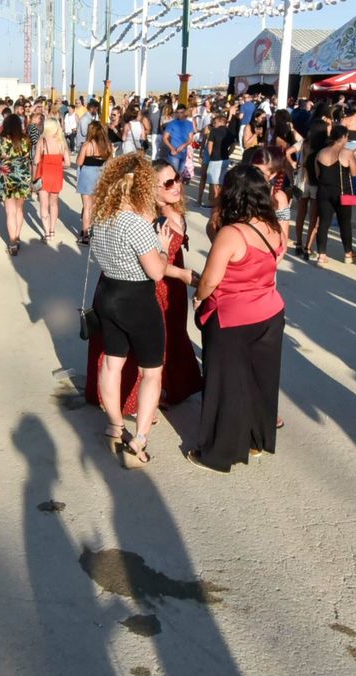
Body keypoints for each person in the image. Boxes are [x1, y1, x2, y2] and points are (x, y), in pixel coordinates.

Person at [87, 153, 192, 470]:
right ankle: (139, 440)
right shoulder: (137, 224)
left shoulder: (102, 217)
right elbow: (157, 272)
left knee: (113, 363)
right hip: (137, 299)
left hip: (107, 294)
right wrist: (160, 246)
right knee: (151, 372)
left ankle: (114, 426)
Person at [189, 164, 286, 473]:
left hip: (232, 317)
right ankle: (257, 440)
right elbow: (276, 259)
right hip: (270, 312)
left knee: (225, 384)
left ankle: (219, 453)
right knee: (261, 381)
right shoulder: (273, 227)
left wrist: (199, 298)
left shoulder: (231, 234)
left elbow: (209, 279)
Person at [307, 125, 356, 264]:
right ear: (342, 137)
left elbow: (318, 174)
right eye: (347, 136)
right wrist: (353, 157)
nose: (347, 139)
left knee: (323, 223)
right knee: (345, 223)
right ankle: (348, 253)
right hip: (343, 193)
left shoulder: (321, 153)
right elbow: (354, 173)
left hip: (324, 191)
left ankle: (322, 255)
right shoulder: (347, 153)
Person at [0, 113, 33, 254]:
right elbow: (29, 160)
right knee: (19, 210)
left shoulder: (2, 140)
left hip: (7, 177)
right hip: (23, 176)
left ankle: (12, 242)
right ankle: (17, 237)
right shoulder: (26, 140)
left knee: (10, 211)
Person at [76, 120, 111, 243]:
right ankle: (93, 230)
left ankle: (85, 234)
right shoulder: (106, 145)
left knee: (87, 206)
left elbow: (79, 162)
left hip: (87, 174)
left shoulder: (87, 145)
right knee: (96, 205)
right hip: (100, 174)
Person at [35, 117, 69, 243]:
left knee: (43, 205)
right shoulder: (61, 141)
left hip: (43, 174)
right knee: (54, 203)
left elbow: (36, 160)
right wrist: (57, 163)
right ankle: (52, 230)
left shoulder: (42, 141)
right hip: (56, 175)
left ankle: (46, 233)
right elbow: (68, 163)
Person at [162, 105, 195, 179]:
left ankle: (178, 189)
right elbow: (164, 138)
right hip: (174, 154)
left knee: (180, 175)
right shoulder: (171, 123)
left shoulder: (189, 124)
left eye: (182, 112)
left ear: (185, 112)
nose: (180, 114)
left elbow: (191, 139)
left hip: (183, 153)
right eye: (178, 112)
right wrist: (172, 148)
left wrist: (183, 146)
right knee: (173, 175)